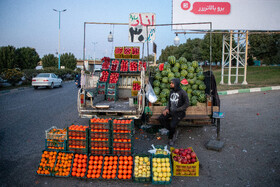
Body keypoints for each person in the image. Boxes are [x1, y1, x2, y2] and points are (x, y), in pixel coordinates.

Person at [158, 78, 189, 146]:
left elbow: (187, 104)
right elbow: (169, 102)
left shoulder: (183, 92)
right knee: (161, 118)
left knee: (172, 125)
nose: (170, 84)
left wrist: (178, 109)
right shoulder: (171, 91)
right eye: (170, 83)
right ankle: (173, 131)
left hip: (180, 113)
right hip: (171, 111)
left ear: (176, 84)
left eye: (172, 83)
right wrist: (167, 109)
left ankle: (171, 138)